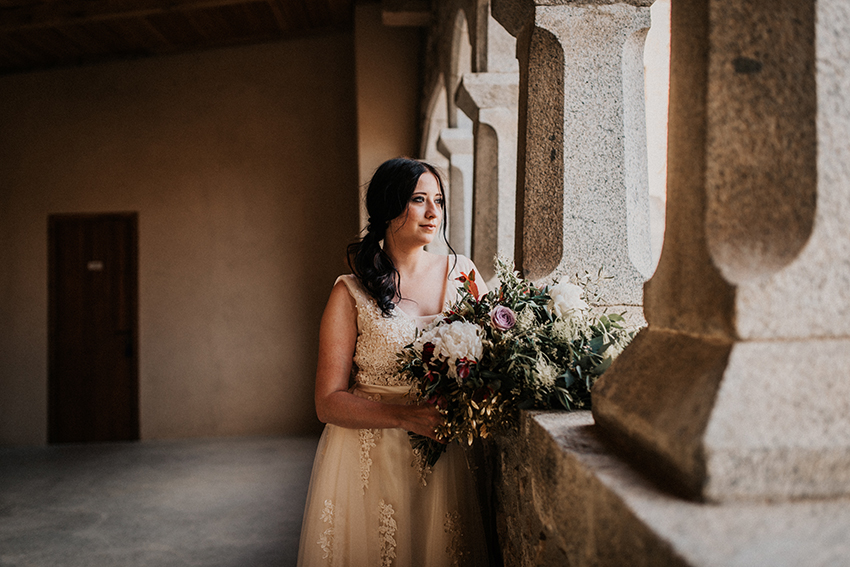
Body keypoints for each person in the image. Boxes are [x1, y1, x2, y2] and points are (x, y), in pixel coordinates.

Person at [296, 158, 490, 566]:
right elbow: (327, 401)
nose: (434, 212)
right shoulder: (349, 292)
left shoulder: (464, 275)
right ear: (388, 207)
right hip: (368, 459)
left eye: (438, 199)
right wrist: (405, 416)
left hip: (445, 458)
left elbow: (495, 359)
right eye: (419, 200)